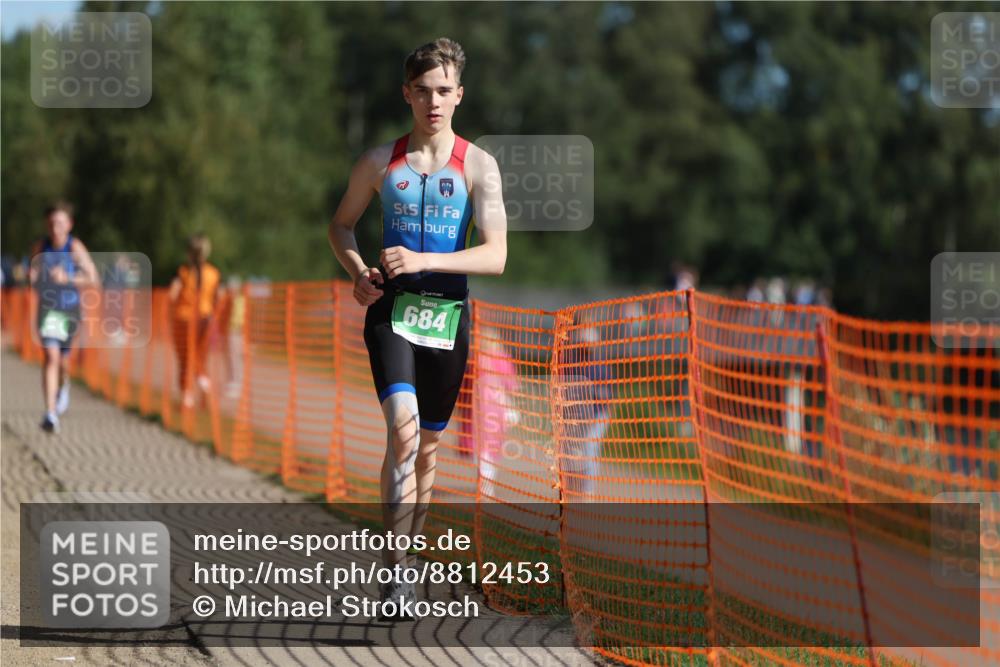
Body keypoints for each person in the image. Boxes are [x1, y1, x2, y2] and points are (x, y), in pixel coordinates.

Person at [328, 37, 507, 619]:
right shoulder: (380, 162)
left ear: (459, 95)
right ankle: (394, 571)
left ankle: (406, 559)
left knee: (428, 448)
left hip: (448, 317)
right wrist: (358, 271)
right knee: (403, 434)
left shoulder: (478, 166)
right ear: (407, 94)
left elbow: (496, 255)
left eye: (443, 91)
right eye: (423, 91)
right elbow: (341, 226)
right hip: (393, 312)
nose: (434, 102)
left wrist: (426, 260)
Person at [29, 201, 100, 434]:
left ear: (69, 225)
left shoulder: (74, 247)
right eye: (51, 223)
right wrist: (35, 278)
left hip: (70, 310)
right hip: (49, 311)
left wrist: (67, 278)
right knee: (51, 356)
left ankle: (64, 385)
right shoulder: (41, 247)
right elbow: (33, 276)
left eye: (59, 223)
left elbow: (93, 278)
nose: (55, 228)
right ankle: (50, 413)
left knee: (63, 362)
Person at [560, 326, 613, 499]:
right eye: (582, 344)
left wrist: (592, 391)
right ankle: (570, 486)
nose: (584, 348)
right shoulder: (572, 364)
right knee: (570, 450)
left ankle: (587, 490)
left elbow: (608, 395)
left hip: (597, 415)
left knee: (589, 448)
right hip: (577, 416)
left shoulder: (600, 367)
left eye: (587, 344)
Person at [168, 234, 221, 408]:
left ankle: (187, 397)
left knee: (185, 359)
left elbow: (172, 295)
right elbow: (218, 299)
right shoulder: (213, 274)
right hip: (205, 320)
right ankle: (204, 384)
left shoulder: (183, 273)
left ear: (189, 253)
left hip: (183, 320)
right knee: (199, 358)